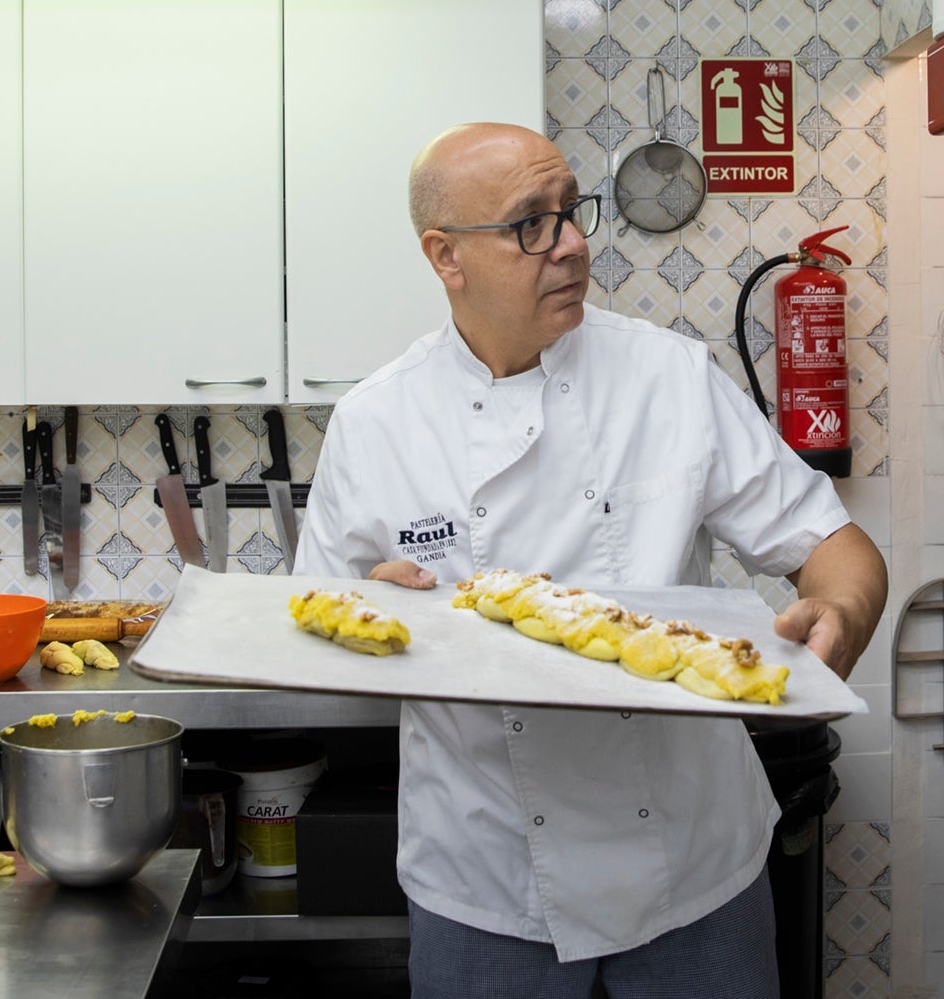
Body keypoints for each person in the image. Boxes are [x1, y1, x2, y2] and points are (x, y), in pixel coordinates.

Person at [293, 122, 889, 997]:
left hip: (693, 867)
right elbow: (312, 638)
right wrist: (377, 623)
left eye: (572, 211)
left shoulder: (670, 380)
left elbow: (837, 549)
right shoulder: (375, 424)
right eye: (531, 223)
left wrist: (841, 615)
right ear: (445, 256)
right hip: (484, 879)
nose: (572, 244)